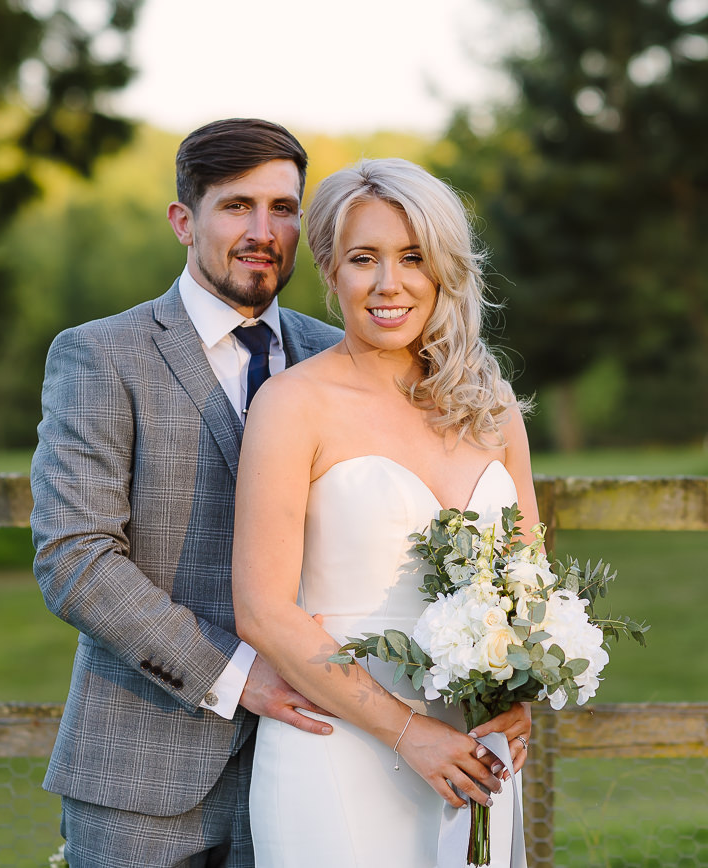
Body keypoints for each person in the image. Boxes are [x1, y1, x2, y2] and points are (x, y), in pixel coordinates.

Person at [30, 118, 346, 867]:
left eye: (283, 208)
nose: (263, 231)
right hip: (143, 770)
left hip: (316, 765)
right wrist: (238, 677)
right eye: (237, 206)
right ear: (184, 220)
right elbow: (75, 559)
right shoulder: (101, 355)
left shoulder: (339, 358)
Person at [231, 158, 536, 866]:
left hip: (474, 756)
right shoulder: (291, 405)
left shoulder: (494, 411)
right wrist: (407, 732)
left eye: (412, 258)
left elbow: (531, 589)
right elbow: (263, 611)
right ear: (331, 271)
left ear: (444, 271)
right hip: (337, 753)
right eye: (364, 258)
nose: (389, 283)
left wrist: (519, 699)